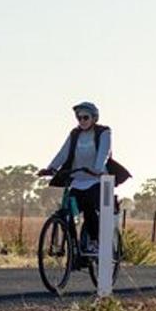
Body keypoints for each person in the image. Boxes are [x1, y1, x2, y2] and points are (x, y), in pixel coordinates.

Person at [37, 101, 127, 252]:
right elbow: (63, 153)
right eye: (79, 118)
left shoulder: (103, 133)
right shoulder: (75, 134)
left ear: (94, 118)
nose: (82, 121)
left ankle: (94, 241)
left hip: (97, 179)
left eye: (85, 117)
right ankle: (73, 247)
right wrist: (51, 168)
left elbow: (104, 153)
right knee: (67, 210)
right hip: (78, 180)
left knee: (88, 206)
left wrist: (97, 169)